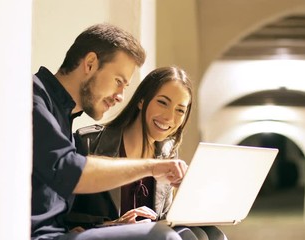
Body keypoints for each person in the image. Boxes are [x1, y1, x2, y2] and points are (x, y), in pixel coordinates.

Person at [32, 23, 188, 240]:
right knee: (162, 236)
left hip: (61, 234)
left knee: (199, 234)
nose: (121, 96)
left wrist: (110, 226)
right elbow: (69, 170)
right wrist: (152, 167)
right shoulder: (34, 99)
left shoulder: (63, 115)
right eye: (118, 82)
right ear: (90, 64)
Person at [65, 66, 227, 240]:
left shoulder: (167, 153)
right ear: (142, 100)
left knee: (212, 235)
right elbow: (62, 218)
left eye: (180, 110)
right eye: (162, 102)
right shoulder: (88, 143)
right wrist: (116, 225)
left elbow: (165, 220)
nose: (169, 118)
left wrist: (188, 195)